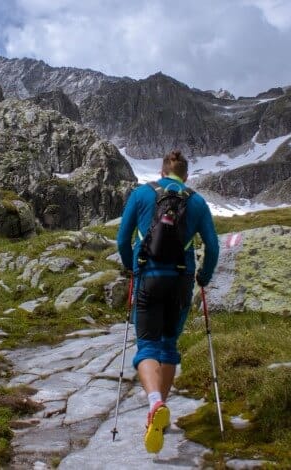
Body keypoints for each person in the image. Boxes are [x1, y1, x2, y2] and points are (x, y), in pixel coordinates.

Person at [116, 149, 219, 453]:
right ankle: (159, 415)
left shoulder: (141, 194)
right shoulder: (197, 201)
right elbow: (212, 247)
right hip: (181, 279)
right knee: (168, 345)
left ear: (161, 173)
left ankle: (154, 403)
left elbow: (123, 239)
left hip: (148, 276)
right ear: (186, 176)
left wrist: (130, 264)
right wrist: (205, 276)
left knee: (146, 345)